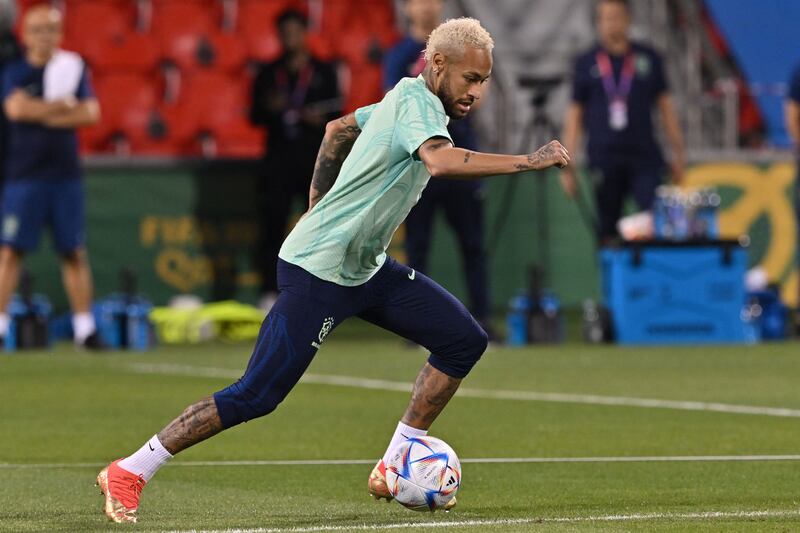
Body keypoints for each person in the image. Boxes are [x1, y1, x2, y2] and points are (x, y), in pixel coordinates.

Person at [97, 17, 570, 523]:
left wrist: (317, 202)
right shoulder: (417, 105)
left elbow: (337, 129)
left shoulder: (405, 99)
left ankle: (394, 462)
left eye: (484, 81)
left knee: (463, 341)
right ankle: (131, 470)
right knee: (257, 394)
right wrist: (529, 160)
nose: (477, 92)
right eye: (470, 79)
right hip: (317, 271)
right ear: (437, 65)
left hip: (364, 269)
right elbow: (441, 162)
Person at [384, 0, 493, 336]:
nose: (427, 6)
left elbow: (478, 97)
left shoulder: (462, 51)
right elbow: (394, 103)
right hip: (419, 166)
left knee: (473, 245)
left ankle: (483, 320)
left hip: (459, 159)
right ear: (408, 8)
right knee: (418, 246)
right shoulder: (399, 54)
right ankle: (415, 327)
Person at [0, 4, 101, 347]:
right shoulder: (13, 70)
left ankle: (85, 329)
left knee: (73, 251)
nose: (45, 37)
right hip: (23, 175)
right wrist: (61, 108)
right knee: (11, 251)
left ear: (60, 34)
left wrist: (37, 112)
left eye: (51, 30)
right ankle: (0, 327)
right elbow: (14, 109)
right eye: (38, 30)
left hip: (64, 176)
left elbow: (89, 114)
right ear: (25, 35)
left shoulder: (73, 68)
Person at [559, 0, 684, 244]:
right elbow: (574, 115)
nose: (611, 23)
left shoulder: (649, 58)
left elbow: (667, 110)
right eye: (605, 18)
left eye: (616, 16)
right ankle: (613, 282)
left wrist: (678, 154)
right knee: (607, 231)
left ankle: (650, 280)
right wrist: (567, 164)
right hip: (604, 158)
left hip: (644, 157)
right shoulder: (586, 62)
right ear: (598, 22)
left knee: (654, 223)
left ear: (628, 19)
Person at [250, 8, 341, 312]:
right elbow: (254, 115)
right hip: (277, 161)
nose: (290, 39)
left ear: (305, 33)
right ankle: (268, 291)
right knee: (272, 226)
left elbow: (339, 117)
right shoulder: (268, 73)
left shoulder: (323, 71)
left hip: (313, 160)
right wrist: (270, 107)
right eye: (284, 33)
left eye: (295, 32)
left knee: (316, 226)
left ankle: (317, 292)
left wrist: (317, 120)